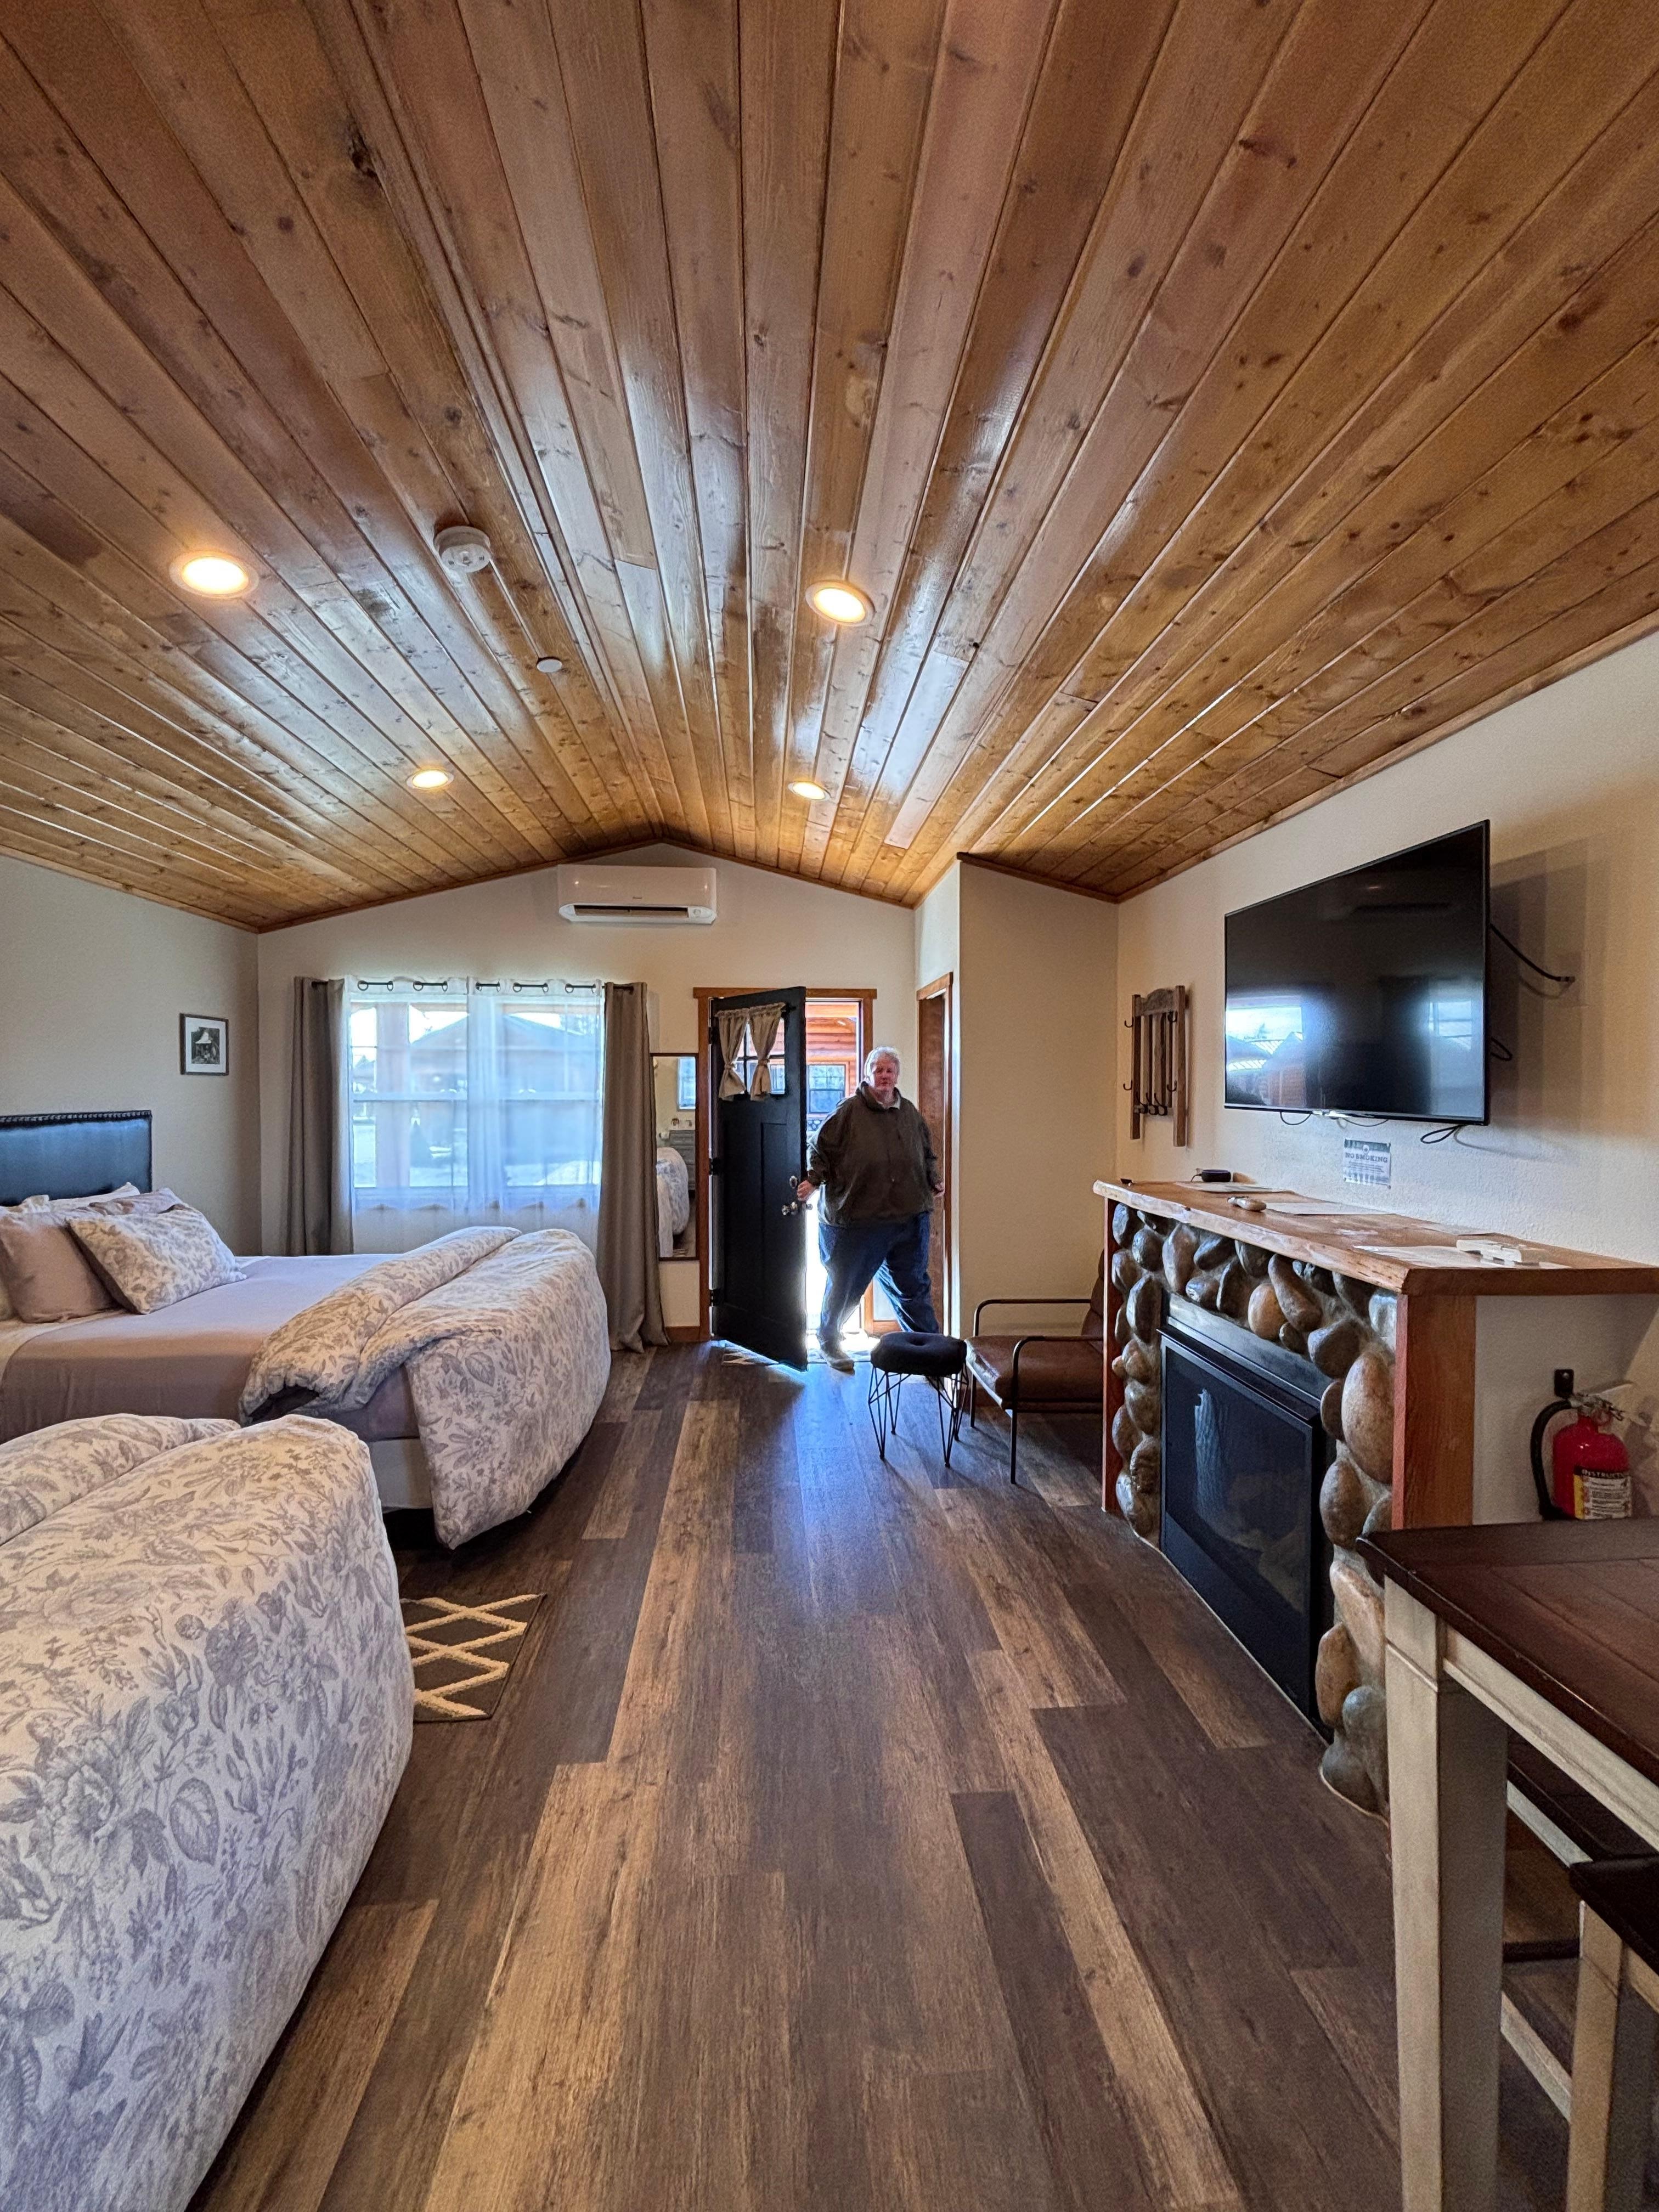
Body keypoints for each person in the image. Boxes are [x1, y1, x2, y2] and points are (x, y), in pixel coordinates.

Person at [795, 1045, 943, 1370]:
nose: (884, 1076)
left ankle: (931, 1354)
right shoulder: (848, 1111)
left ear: (897, 1075)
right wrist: (813, 1180)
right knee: (845, 1287)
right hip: (858, 1219)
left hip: (908, 1215)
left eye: (890, 1070)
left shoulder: (909, 1113)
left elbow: (926, 1153)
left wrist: (932, 1179)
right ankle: (829, 1341)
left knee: (914, 1288)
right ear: (868, 1074)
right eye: (878, 1070)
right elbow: (819, 1148)